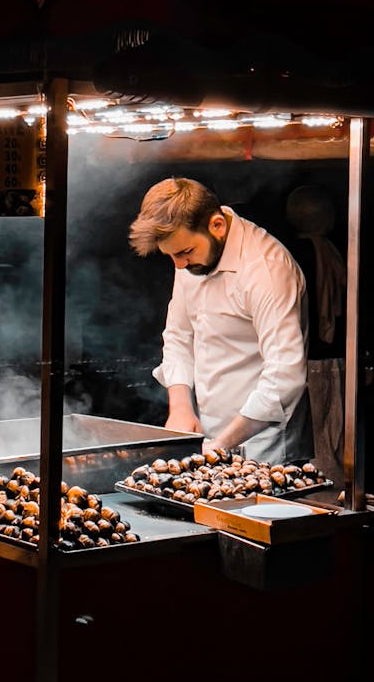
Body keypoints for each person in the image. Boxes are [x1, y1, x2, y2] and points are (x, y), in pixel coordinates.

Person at [128, 176, 313, 465]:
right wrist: (180, 409)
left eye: (185, 252)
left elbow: (284, 377)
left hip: (265, 445)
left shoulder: (266, 271)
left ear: (217, 225)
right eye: (172, 256)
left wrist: (223, 443)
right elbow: (178, 335)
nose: (179, 265)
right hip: (209, 436)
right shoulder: (191, 258)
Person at [284, 183, 347, 487]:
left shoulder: (324, 251)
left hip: (318, 358)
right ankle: (321, 488)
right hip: (310, 360)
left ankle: (329, 486)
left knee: (328, 432)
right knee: (322, 432)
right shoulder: (303, 255)